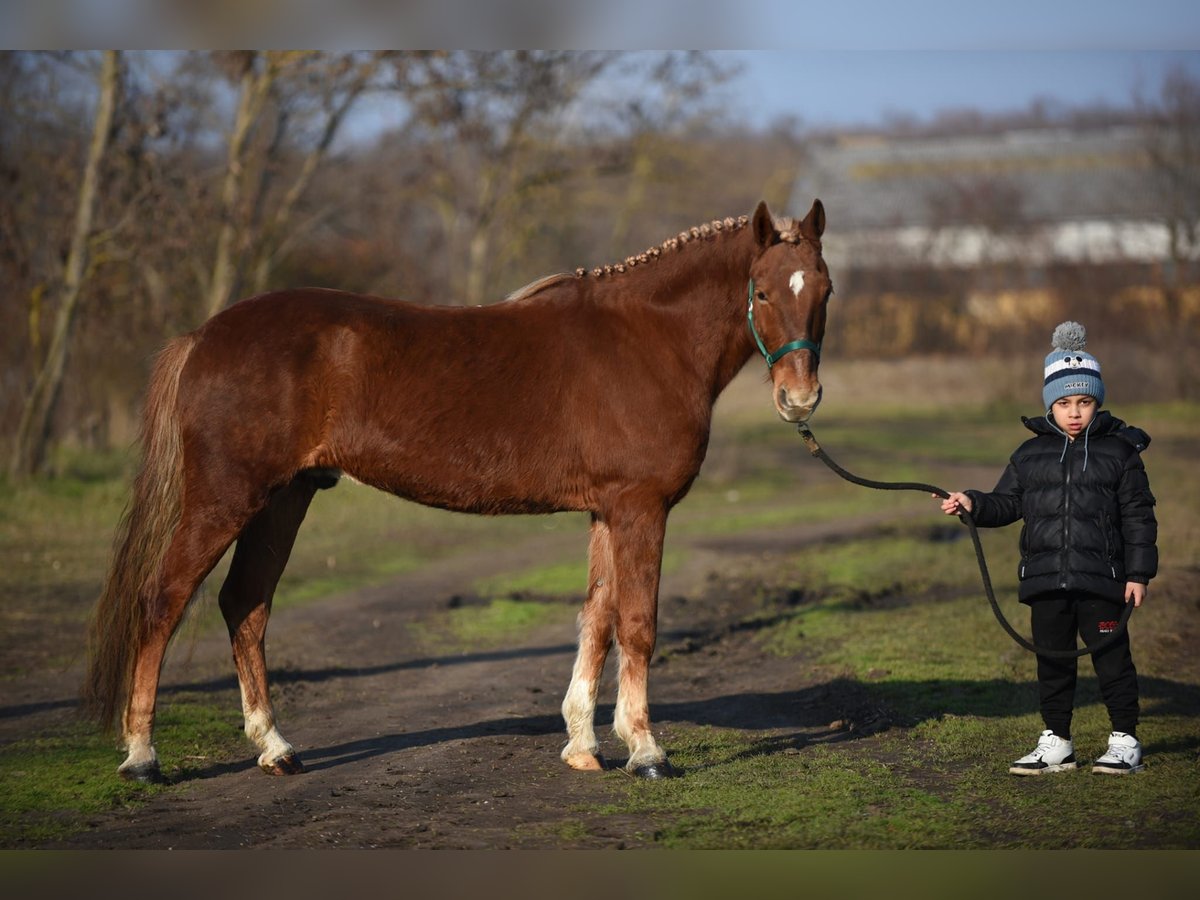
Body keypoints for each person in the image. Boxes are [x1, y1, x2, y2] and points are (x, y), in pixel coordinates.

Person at [938, 321, 1157, 775]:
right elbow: (1006, 503)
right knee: (1053, 664)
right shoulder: (1028, 455)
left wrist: (1139, 575)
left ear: (1097, 402)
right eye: (1063, 403)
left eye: (1083, 402)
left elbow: (1139, 517)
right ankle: (1057, 741)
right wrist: (972, 503)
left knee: (1112, 661)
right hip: (1045, 582)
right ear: (1050, 406)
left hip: (1103, 581)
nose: (1074, 412)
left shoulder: (1121, 453)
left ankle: (1125, 740)